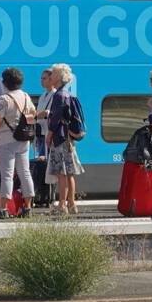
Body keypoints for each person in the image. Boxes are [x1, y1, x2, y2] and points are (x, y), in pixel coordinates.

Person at [0, 68, 37, 219]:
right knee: (25, 173)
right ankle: (28, 207)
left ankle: (3, 208)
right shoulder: (25, 96)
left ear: (5, 82)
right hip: (23, 140)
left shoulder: (3, 99)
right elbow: (33, 114)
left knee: (7, 174)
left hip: (5, 141)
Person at [45, 62, 84, 216]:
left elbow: (55, 119)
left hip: (59, 138)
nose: (51, 76)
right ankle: (72, 204)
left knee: (61, 173)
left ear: (59, 77)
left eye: (53, 74)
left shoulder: (59, 95)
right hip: (68, 139)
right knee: (69, 173)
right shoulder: (68, 94)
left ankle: (62, 205)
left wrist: (49, 135)